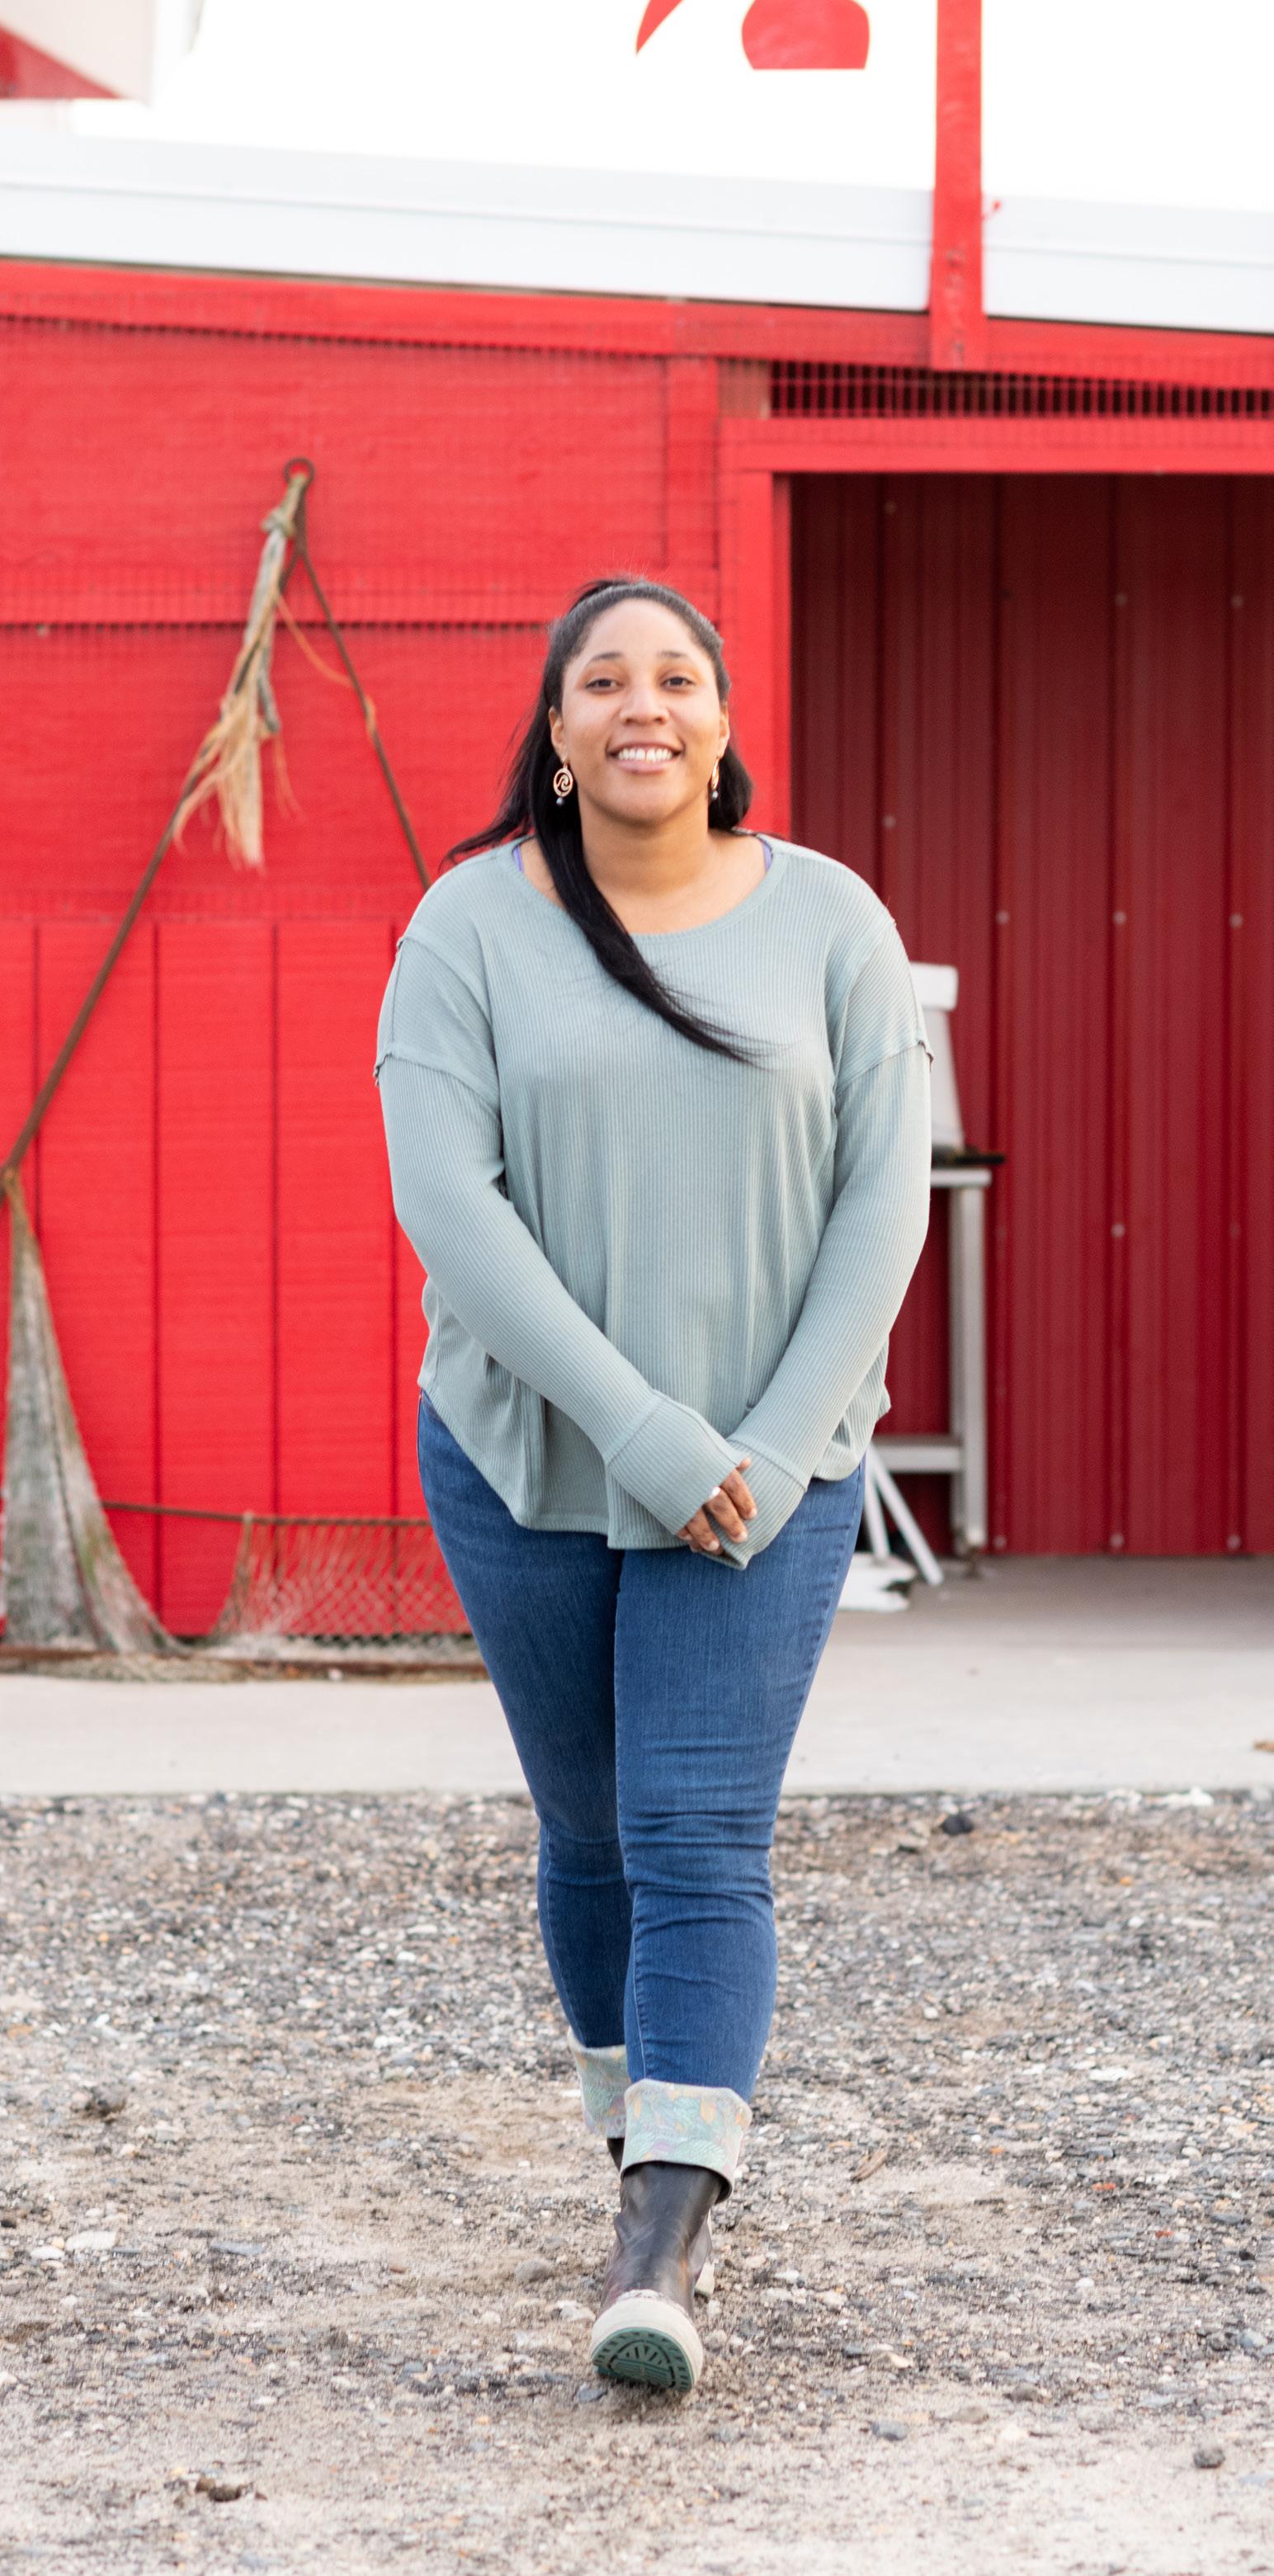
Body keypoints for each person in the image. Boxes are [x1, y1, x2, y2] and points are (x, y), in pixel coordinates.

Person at [373, 576, 932, 2394]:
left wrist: (765, 1445)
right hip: (528, 1457)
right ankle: (642, 2131)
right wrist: (643, 1431)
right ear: (556, 732)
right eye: (603, 680)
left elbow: (884, 1196)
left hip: (767, 1477)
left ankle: (661, 2249)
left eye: (676, 677)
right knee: (595, 1832)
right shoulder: (469, 924)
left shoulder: (831, 920)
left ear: (720, 721)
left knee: (698, 1834)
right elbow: (451, 1205)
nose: (643, 704)